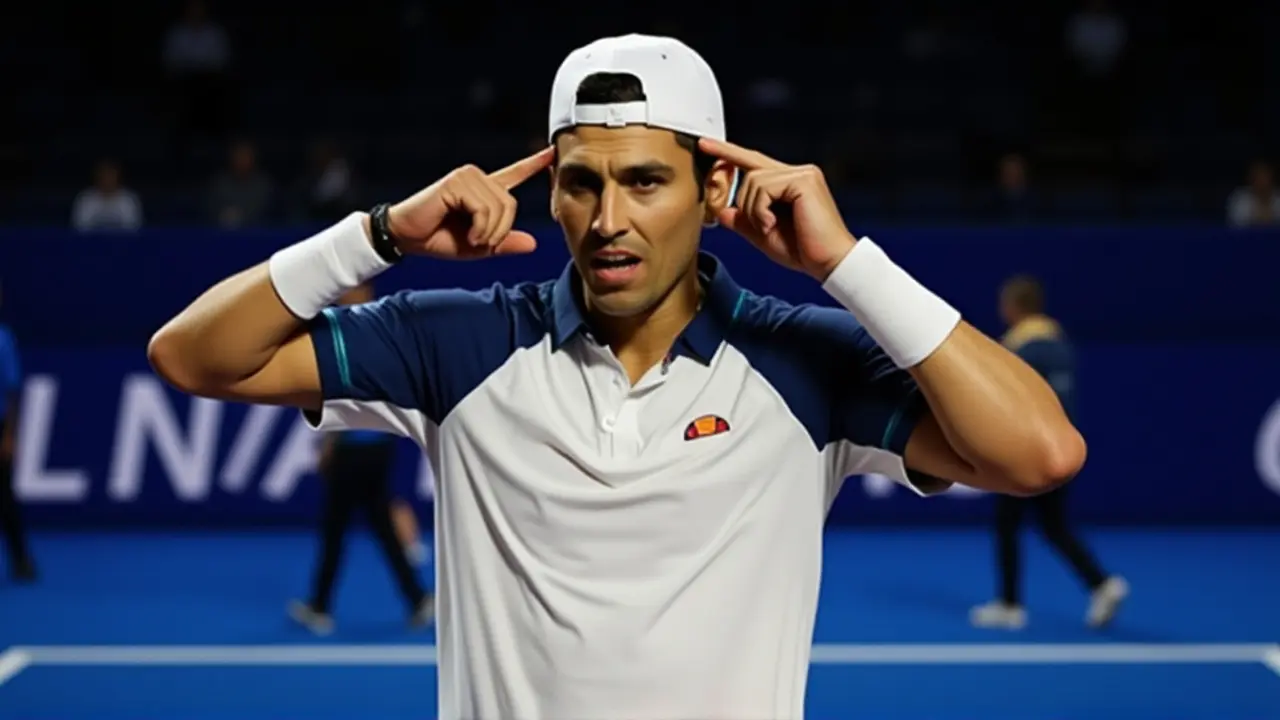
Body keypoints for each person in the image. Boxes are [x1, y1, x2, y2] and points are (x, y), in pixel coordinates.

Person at [148, 34, 1085, 720]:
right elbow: (192, 356)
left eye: (644, 180)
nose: (607, 219)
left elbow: (1040, 452)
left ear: (714, 191)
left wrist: (844, 263)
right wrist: (380, 232)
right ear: (550, 191)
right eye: (583, 183)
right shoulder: (457, 344)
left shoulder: (809, 362)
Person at [970, 275, 1127, 631]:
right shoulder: (1061, 345)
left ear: (1014, 307)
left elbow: (1003, 403)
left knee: (1007, 524)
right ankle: (1101, 584)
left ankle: (1009, 605)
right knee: (1054, 526)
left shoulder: (1019, 349)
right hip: (1061, 451)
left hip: (1023, 454)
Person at [288, 284, 433, 635]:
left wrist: (330, 447)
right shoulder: (388, 328)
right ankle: (417, 599)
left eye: (347, 289)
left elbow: (344, 397)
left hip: (356, 450)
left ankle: (320, 607)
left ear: (362, 290)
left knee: (335, 529)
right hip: (378, 448)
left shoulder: (347, 332)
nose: (339, 295)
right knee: (380, 525)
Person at [0, 283, 36, 582]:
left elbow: (13, 392)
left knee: (5, 501)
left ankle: (21, 561)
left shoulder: (3, 340)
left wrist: (10, 436)